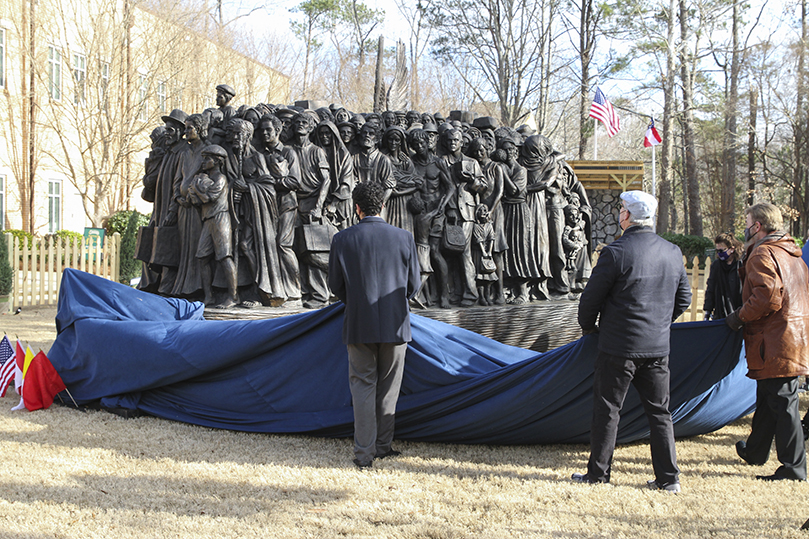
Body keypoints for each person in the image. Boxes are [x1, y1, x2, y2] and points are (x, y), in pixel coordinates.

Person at [574, 190, 691, 492]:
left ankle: (598, 474)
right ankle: (669, 479)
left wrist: (589, 328)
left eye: (621, 209)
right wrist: (659, 324)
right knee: (659, 413)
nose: (619, 214)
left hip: (618, 347)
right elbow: (684, 300)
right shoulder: (672, 252)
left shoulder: (615, 252)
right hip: (656, 347)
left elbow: (590, 302)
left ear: (627, 215)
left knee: (608, 410)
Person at [328, 181, 421, 469]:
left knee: (362, 386)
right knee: (389, 388)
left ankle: (364, 454)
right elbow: (413, 286)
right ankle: (383, 446)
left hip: (358, 324)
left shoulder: (342, 239)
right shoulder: (404, 237)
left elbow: (335, 286)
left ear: (356, 208)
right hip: (395, 324)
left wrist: (356, 301)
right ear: (383, 205)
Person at [727, 202, 809, 481]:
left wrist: (739, 316)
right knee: (769, 397)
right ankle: (755, 451)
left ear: (758, 226)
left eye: (748, 220)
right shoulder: (792, 253)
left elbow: (767, 295)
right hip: (791, 335)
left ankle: (794, 467)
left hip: (776, 339)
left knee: (783, 403)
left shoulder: (763, 253)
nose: (746, 226)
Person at [702, 232, 744, 320]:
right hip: (720, 312)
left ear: (732, 249)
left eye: (721, 251)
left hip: (738, 311)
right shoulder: (716, 266)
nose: (719, 254)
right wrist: (708, 311)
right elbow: (711, 288)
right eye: (717, 251)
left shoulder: (741, 265)